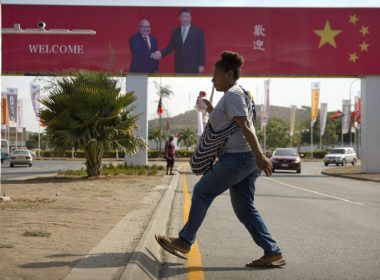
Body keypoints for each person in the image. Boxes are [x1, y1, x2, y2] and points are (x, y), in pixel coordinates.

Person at [155, 51, 285, 267]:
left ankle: (185, 241)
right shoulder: (238, 94)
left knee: (202, 191)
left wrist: (260, 155)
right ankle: (273, 252)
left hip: (239, 158)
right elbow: (231, 124)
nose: (212, 79)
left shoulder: (233, 94)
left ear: (229, 74)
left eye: (216, 75)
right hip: (245, 159)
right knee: (244, 208)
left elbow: (245, 127)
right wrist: (211, 108)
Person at [152, 8, 205, 74]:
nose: (185, 19)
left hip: (193, 66)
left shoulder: (197, 31)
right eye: (183, 17)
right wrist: (161, 53)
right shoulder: (175, 31)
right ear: (179, 18)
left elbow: (201, 49)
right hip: (179, 66)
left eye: (187, 17)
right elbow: (170, 46)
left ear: (190, 18)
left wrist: (201, 64)